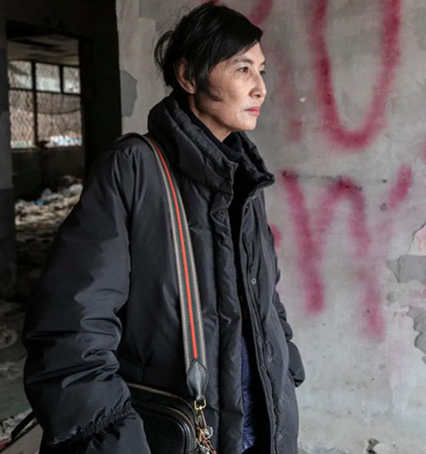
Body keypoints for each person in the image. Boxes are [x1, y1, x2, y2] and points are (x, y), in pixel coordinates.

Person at [22, 3, 305, 453]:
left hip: (260, 424)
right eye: (242, 69)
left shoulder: (244, 176)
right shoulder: (134, 168)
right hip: (177, 433)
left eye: (262, 70)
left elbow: (264, 291)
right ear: (189, 76)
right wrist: (114, 442)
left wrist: (285, 365)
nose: (260, 88)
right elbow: (72, 327)